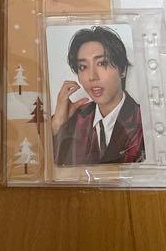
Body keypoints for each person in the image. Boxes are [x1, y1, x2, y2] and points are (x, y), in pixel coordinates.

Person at [51, 26, 145, 166]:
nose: (92, 77)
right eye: (83, 67)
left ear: (123, 70)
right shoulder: (73, 120)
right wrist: (57, 123)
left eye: (102, 63)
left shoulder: (144, 121)